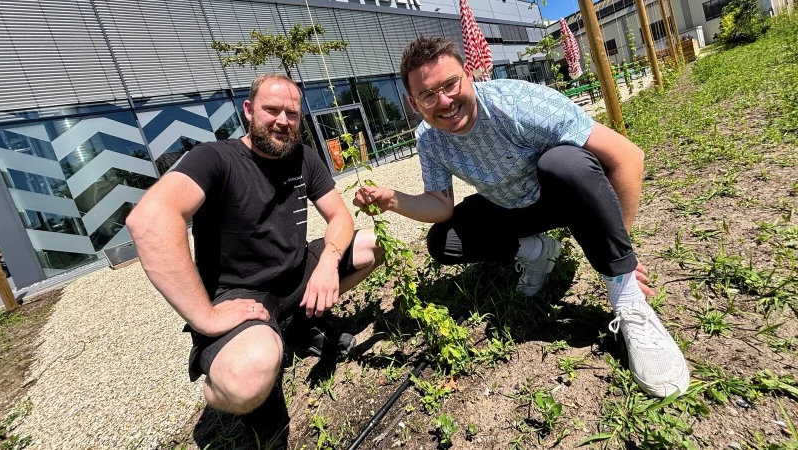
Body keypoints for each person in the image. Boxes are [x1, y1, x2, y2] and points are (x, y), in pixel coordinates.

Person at [353, 37, 689, 398]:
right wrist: (392, 200)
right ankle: (536, 251)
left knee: (564, 162)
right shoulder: (430, 140)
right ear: (413, 103)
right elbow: (441, 204)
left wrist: (617, 252)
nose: (445, 102)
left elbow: (627, 157)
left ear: (468, 75)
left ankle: (629, 303)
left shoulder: (519, 104)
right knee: (442, 240)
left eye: (450, 84)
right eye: (429, 95)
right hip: (508, 207)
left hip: (561, 198)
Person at [128, 74, 383, 421]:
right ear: (248, 110)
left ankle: (299, 325)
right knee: (246, 381)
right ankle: (234, 362)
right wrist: (206, 316)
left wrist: (327, 262)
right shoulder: (215, 158)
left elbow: (339, 215)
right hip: (240, 294)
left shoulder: (304, 158)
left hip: (296, 276)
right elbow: (150, 220)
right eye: (271, 110)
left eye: (292, 114)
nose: (282, 121)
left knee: (372, 245)